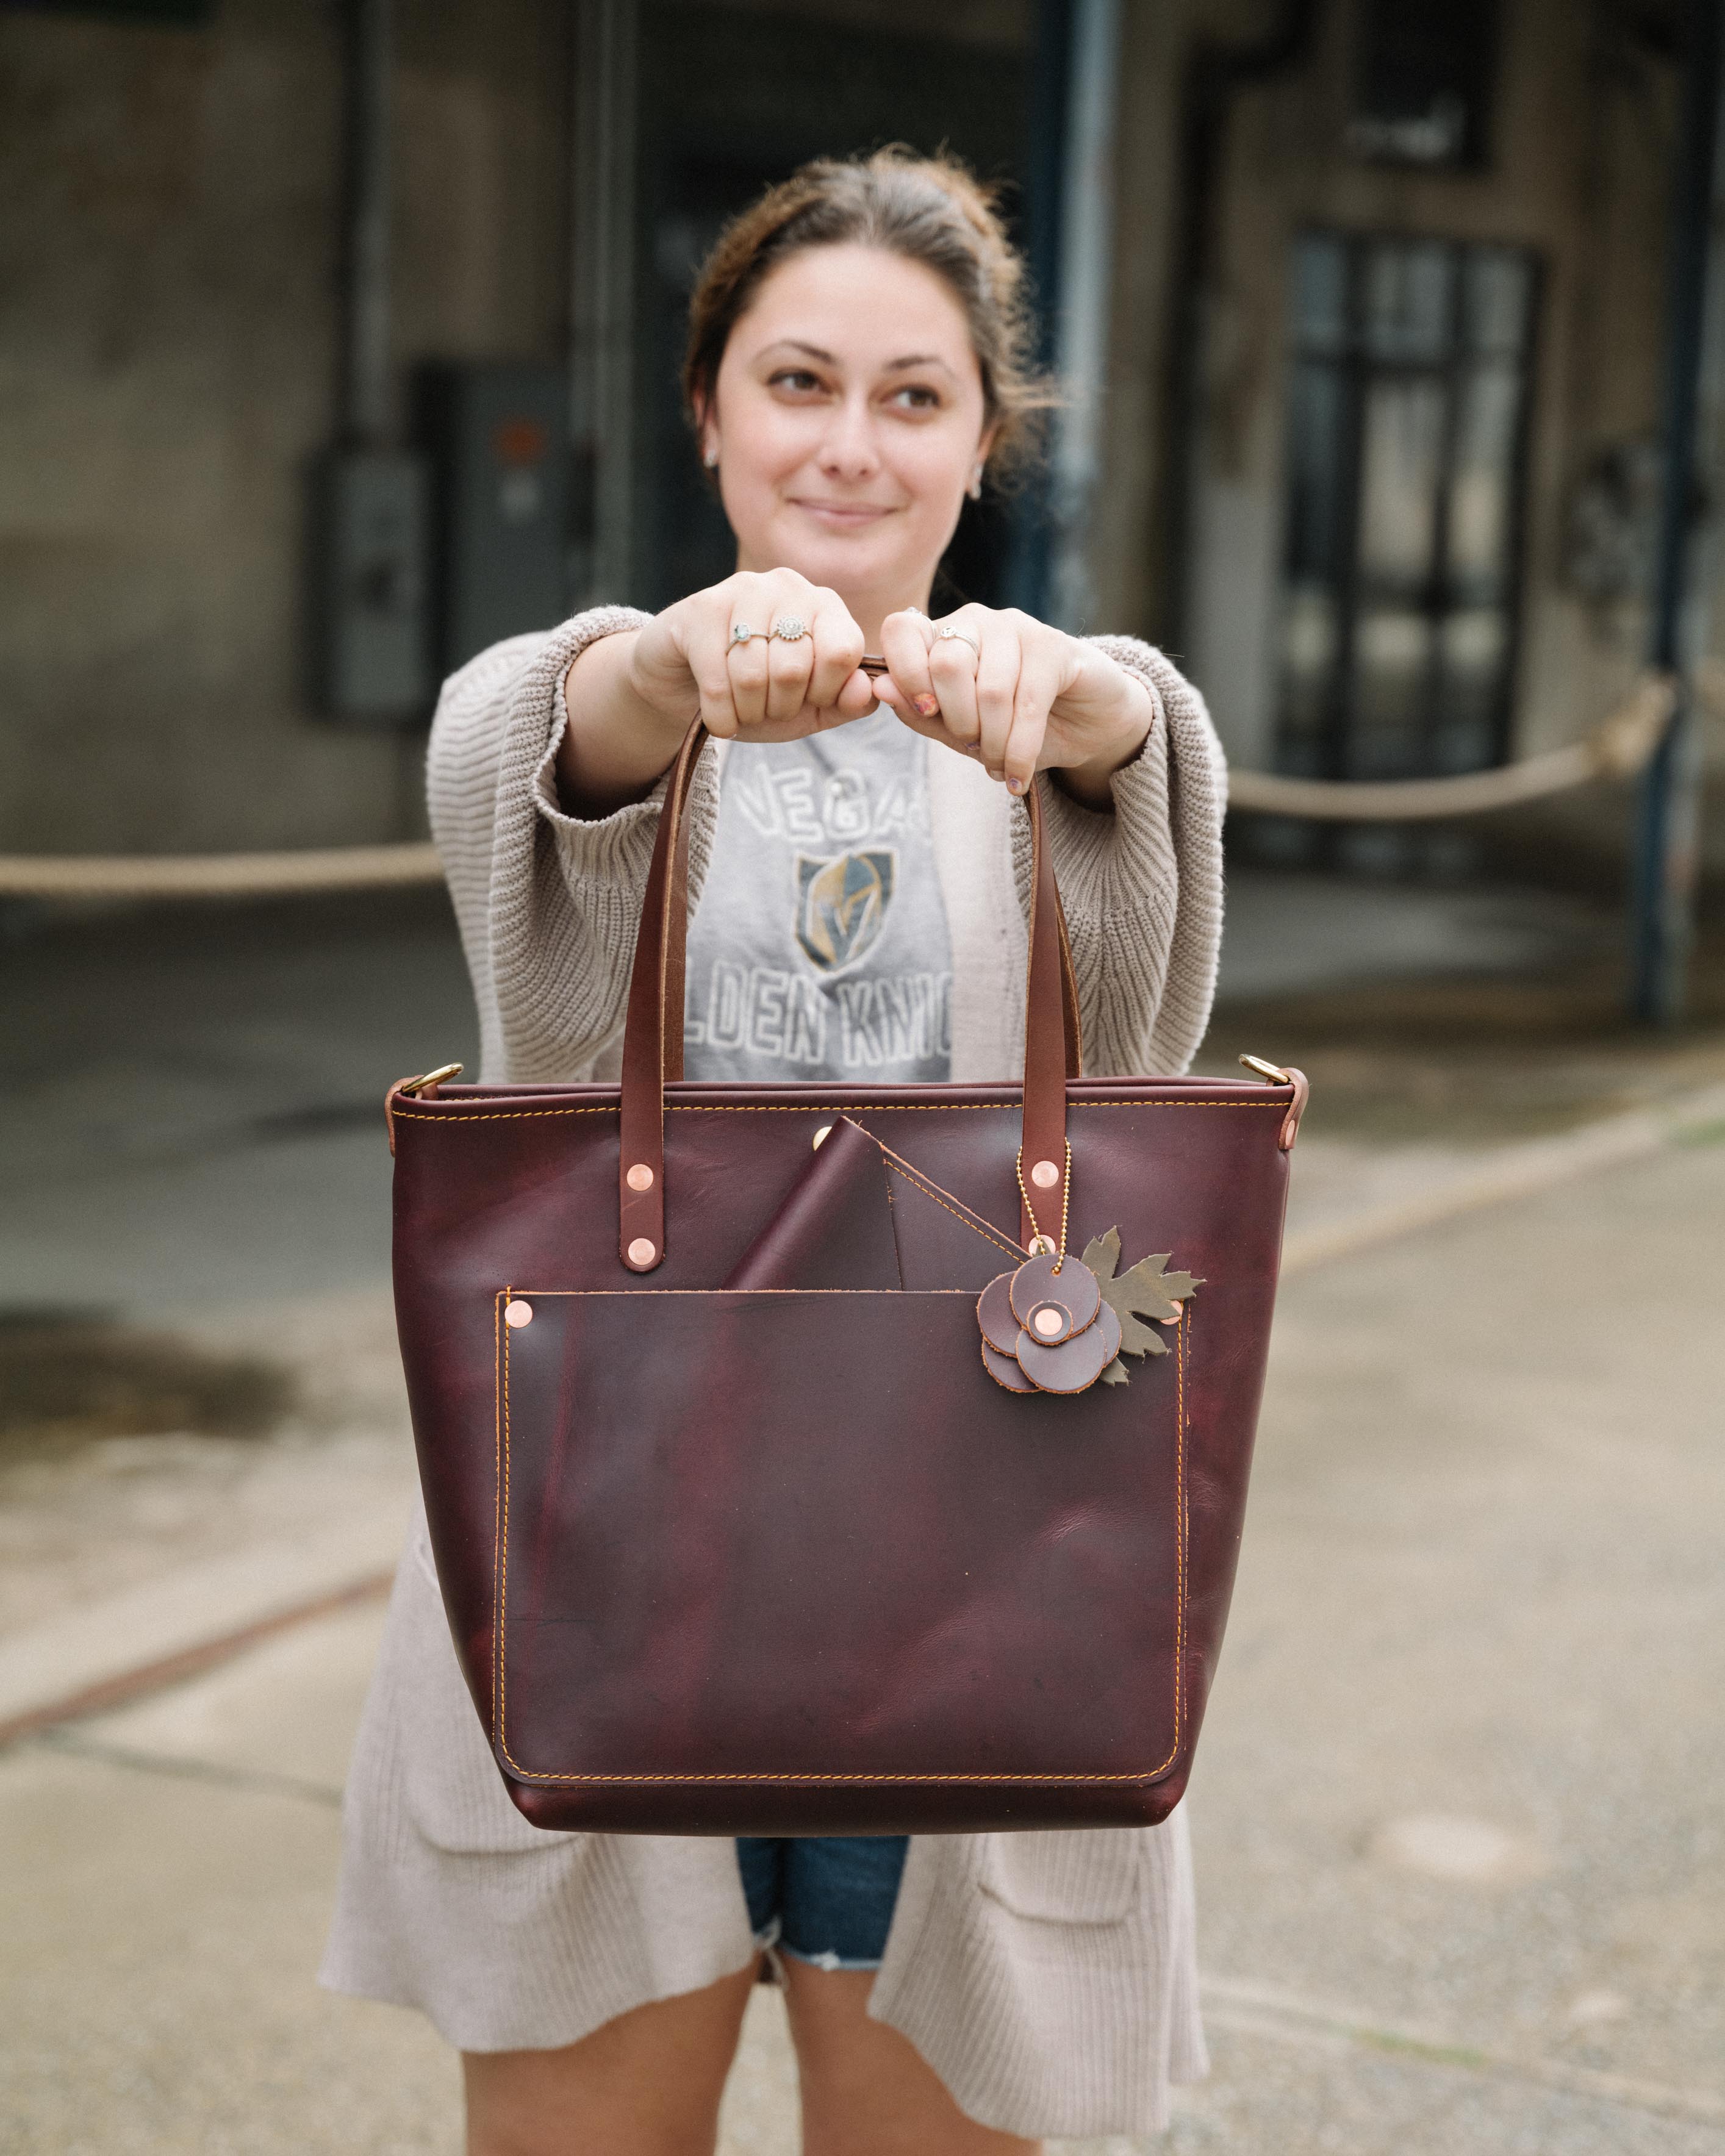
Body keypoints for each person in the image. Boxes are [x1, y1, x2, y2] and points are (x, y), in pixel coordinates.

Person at [323, 148, 1224, 2156]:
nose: (849, 443)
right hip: (602, 1557)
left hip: (988, 1587)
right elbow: (548, 745)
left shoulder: (1063, 730)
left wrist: (1070, 705)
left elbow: (1139, 761)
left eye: (913, 396)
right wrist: (673, 667)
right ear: (708, 407)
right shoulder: (554, 706)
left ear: (985, 439)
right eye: (796, 381)